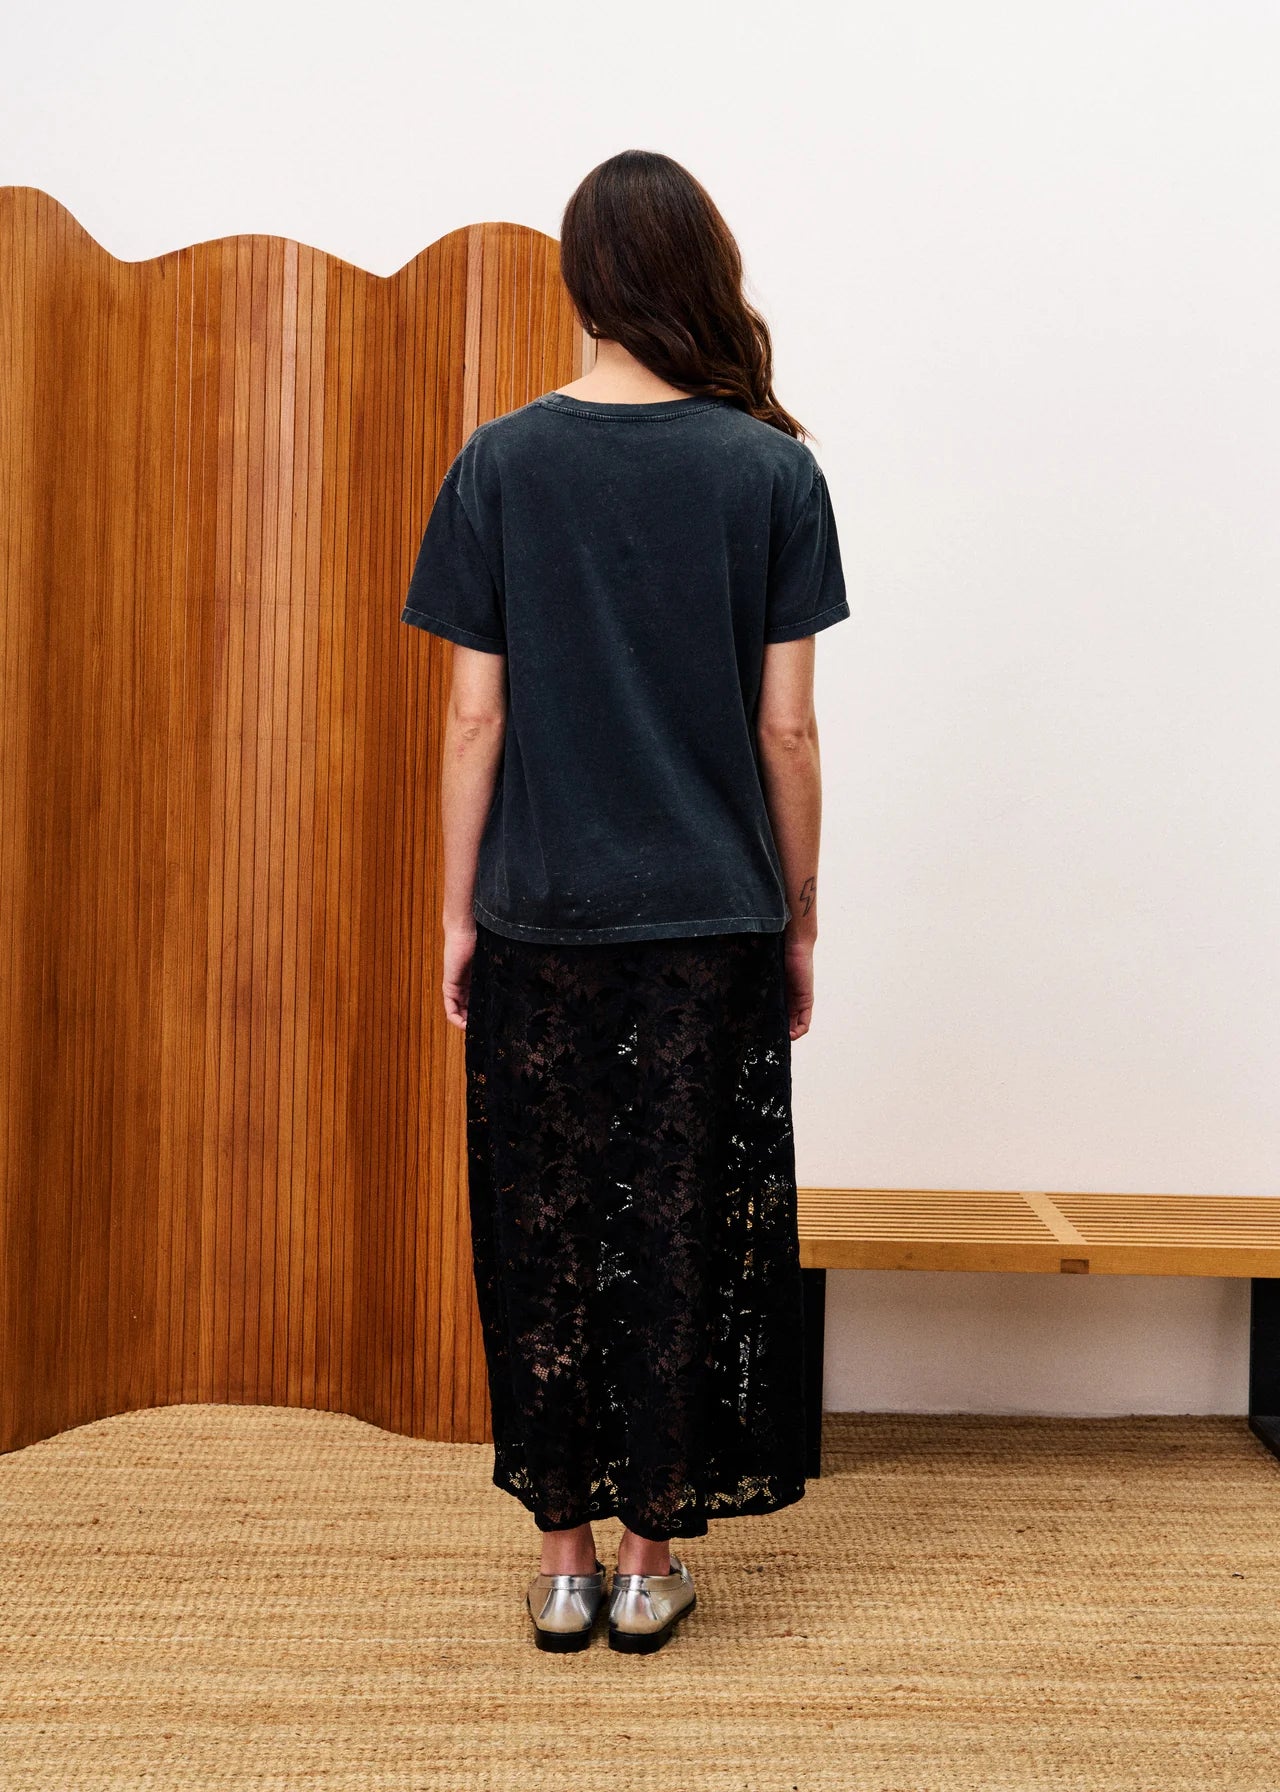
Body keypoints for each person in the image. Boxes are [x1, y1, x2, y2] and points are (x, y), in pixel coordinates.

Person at [400, 148, 849, 1654]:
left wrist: (458, 912)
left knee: (542, 1234)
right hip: (712, 923)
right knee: (680, 1232)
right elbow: (789, 733)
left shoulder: (500, 463)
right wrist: (797, 918)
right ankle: (653, 1564)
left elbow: (475, 720)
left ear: (582, 283)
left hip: (541, 916)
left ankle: (562, 1565)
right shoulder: (772, 471)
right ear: (702, 274)